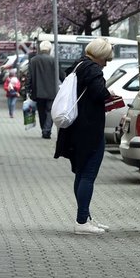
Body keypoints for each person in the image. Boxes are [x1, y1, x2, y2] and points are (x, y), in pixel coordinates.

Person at [53, 38, 115, 235]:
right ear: (99, 56)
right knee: (88, 174)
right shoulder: (93, 70)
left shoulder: (78, 65)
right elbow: (99, 94)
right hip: (90, 129)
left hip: (76, 129)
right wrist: (109, 93)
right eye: (106, 59)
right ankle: (82, 222)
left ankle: (85, 216)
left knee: (81, 173)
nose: (106, 63)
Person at [27, 41, 60, 139]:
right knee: (49, 111)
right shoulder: (53, 60)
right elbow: (60, 74)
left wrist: (28, 88)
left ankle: (43, 129)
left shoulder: (33, 60)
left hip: (38, 91)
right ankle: (47, 131)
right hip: (51, 91)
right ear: (49, 50)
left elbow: (30, 76)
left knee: (41, 111)